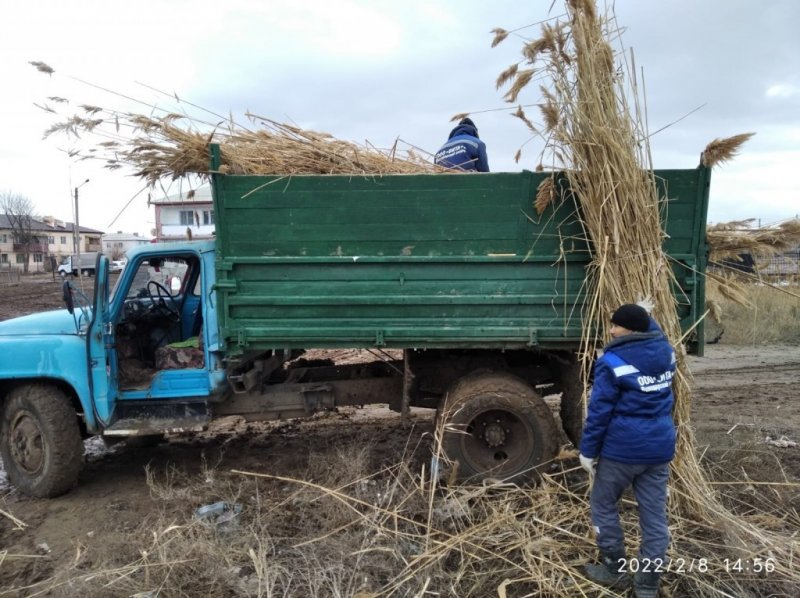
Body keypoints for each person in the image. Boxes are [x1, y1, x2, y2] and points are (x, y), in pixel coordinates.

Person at [579, 303, 677, 598]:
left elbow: (599, 412)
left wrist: (587, 450)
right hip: (659, 449)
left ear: (631, 329)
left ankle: (615, 569)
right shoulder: (666, 352)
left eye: (616, 326)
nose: (611, 330)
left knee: (603, 504)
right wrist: (649, 314)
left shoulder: (612, 361)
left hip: (623, 450)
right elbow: (653, 330)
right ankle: (647, 584)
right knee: (654, 514)